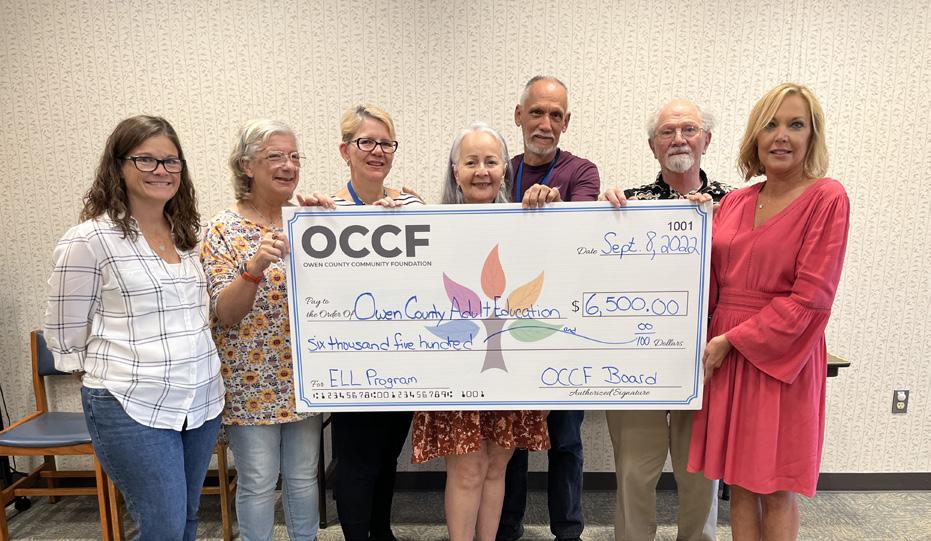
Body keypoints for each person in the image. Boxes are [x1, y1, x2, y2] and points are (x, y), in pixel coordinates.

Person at [44, 115, 224, 541]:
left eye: (171, 161)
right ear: (118, 166)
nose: (161, 170)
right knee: (163, 526)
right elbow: (65, 330)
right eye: (146, 160)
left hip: (200, 399)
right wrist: (112, 371)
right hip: (131, 403)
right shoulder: (90, 239)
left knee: (187, 518)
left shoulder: (184, 235)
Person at [688, 83, 849, 540]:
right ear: (755, 137)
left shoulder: (827, 197)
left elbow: (812, 300)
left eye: (795, 125)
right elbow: (710, 280)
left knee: (776, 489)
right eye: (770, 125)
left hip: (781, 358)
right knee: (738, 484)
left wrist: (731, 340)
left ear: (812, 136)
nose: (781, 136)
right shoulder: (735, 201)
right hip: (727, 354)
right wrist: (688, 225)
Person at [411, 122, 558, 541]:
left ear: (504, 170)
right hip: (455, 373)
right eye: (471, 162)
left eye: (491, 161)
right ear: (455, 171)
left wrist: (554, 210)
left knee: (496, 467)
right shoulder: (430, 226)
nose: (481, 171)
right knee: (468, 470)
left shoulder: (530, 222)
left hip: (513, 368)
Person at [602, 99, 732, 541]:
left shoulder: (735, 205)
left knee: (700, 472)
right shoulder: (626, 205)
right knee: (634, 469)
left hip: (708, 354)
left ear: (706, 140)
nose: (678, 139)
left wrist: (717, 227)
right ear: (653, 146)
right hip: (638, 356)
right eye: (667, 132)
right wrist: (598, 219)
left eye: (689, 129)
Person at [200, 119, 322, 541]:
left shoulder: (308, 220)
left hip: (304, 376)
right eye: (276, 156)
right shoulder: (222, 229)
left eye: (294, 156)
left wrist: (334, 218)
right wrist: (253, 268)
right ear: (246, 165)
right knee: (258, 480)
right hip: (251, 380)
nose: (289, 165)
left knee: (304, 476)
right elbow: (224, 313)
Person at [498, 76, 599, 541]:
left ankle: (568, 531)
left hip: (562, 328)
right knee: (511, 439)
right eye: (537, 112)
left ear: (566, 122)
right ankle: (507, 527)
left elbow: (579, 240)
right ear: (519, 116)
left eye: (555, 115)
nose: (545, 123)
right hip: (507, 326)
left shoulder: (581, 172)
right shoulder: (499, 171)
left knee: (566, 440)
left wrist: (557, 211)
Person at [328, 104, 421, 541]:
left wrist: (408, 217)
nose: (378, 151)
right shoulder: (325, 211)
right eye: (366, 142)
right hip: (349, 358)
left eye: (386, 143)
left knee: (387, 456)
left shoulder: (411, 206)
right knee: (356, 460)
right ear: (345, 150)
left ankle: (382, 533)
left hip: (402, 355)